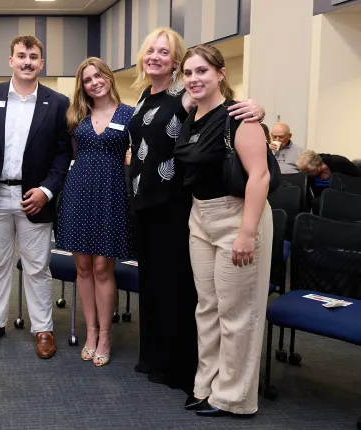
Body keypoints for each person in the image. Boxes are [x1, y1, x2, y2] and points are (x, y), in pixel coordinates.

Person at [127, 27, 265, 396]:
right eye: (150, 50)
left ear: (176, 61)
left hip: (176, 205)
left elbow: (227, 112)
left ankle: (186, 370)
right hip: (151, 206)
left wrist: (257, 108)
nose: (155, 56)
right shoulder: (143, 96)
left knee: (184, 293)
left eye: (165, 52)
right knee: (164, 291)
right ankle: (162, 363)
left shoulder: (185, 95)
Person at [174, 44, 273, 418]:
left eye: (202, 71)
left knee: (237, 313)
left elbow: (259, 176)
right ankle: (207, 383)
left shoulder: (240, 117)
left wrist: (247, 233)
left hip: (237, 216)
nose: (195, 78)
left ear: (220, 73)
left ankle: (233, 396)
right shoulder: (190, 114)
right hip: (201, 217)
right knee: (208, 307)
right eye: (188, 73)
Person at [0, 36, 72, 359]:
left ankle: (43, 329)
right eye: (21, 56)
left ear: (41, 63)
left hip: (34, 197)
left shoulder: (57, 102)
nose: (27, 61)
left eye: (33, 56)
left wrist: (47, 190)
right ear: (10, 60)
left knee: (38, 266)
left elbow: (62, 156)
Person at [55, 57, 133, 367]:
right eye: (87, 79)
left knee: (103, 267)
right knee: (83, 267)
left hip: (112, 193)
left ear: (109, 78)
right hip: (78, 191)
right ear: (82, 86)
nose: (94, 82)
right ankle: (90, 331)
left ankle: (105, 335)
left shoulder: (130, 114)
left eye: (98, 76)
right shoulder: (77, 115)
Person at [296, 149, 361, 211]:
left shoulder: (339, 162)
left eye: (307, 172)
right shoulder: (309, 174)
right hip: (326, 198)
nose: (305, 174)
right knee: (316, 203)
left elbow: (358, 179)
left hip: (346, 194)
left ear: (318, 166)